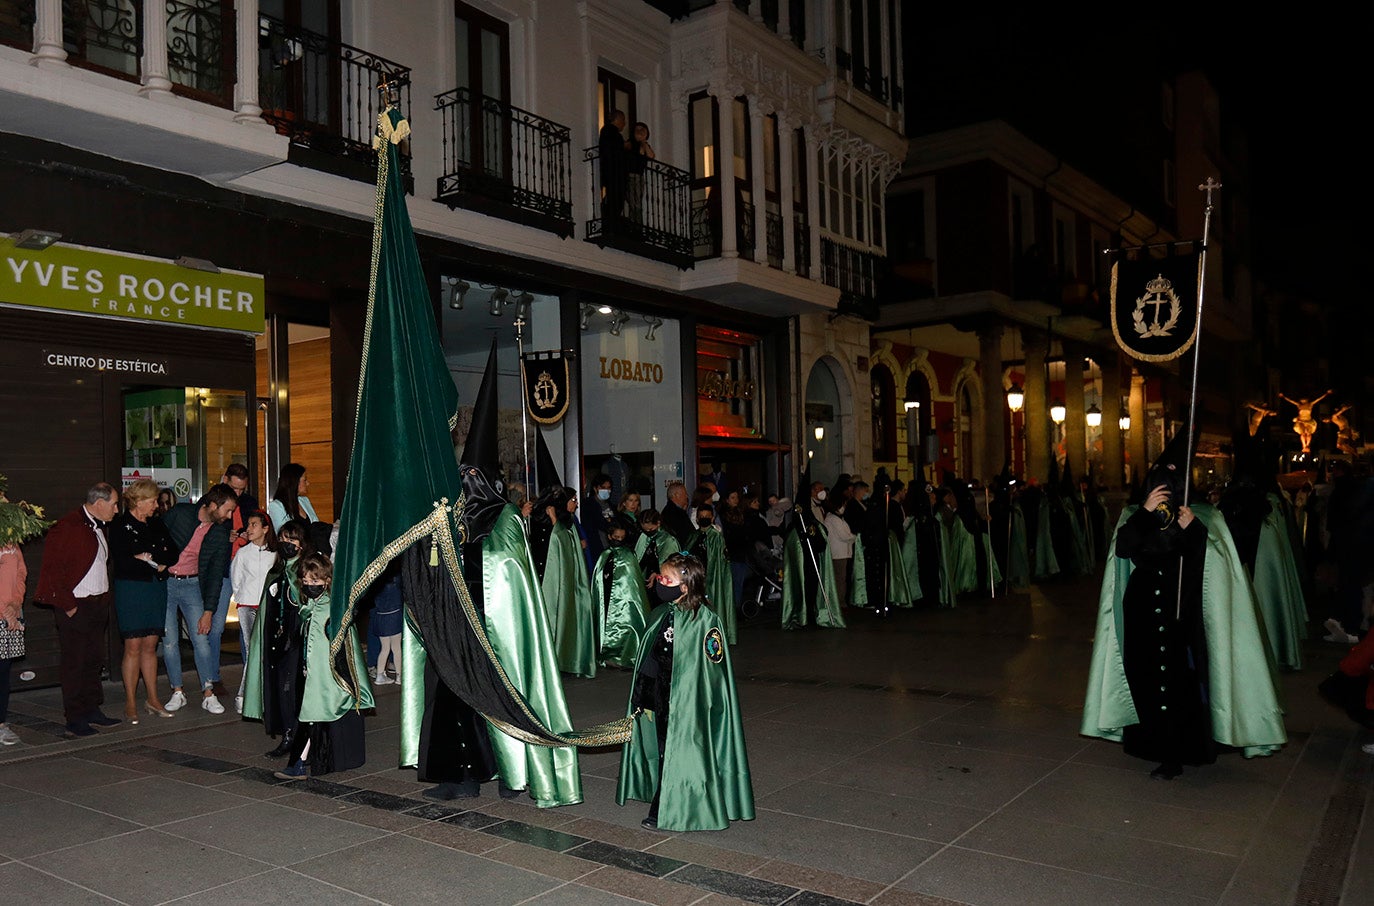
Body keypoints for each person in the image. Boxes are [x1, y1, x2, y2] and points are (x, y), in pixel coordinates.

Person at [1081, 432, 1287, 779]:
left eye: (1176, 471)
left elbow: (1216, 565)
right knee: (1147, 680)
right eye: (1163, 470)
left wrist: (1194, 530)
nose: (1168, 477)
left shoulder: (1203, 514)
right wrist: (1146, 514)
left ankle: (1180, 750)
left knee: (1181, 685)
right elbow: (1124, 549)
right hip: (1144, 610)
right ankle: (1153, 744)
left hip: (1185, 612)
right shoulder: (1135, 512)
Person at [617, 553, 754, 831]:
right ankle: (664, 794)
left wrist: (703, 699)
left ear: (684, 587)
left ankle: (669, 805)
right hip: (659, 695)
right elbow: (650, 658)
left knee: (682, 751)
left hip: (690, 701)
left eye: (666, 578)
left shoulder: (706, 620)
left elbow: (714, 670)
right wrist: (641, 695)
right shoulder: (661, 614)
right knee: (662, 747)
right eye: (660, 575)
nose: (659, 581)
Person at [274, 551, 372, 780]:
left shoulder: (332, 608)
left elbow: (344, 644)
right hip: (312, 674)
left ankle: (297, 763)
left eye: (315, 582)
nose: (309, 586)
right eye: (306, 582)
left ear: (327, 580)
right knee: (310, 717)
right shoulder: (311, 606)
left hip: (326, 677)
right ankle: (301, 761)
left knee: (310, 716)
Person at [34, 482, 121, 737]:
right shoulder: (67, 526)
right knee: (75, 662)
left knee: (94, 660)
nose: (117, 509)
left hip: (97, 604)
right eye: (114, 504)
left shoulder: (99, 527)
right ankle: (75, 718)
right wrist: (69, 606)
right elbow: (53, 570)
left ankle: (92, 709)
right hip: (76, 605)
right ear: (99, 503)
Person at [160, 483, 238, 715]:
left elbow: (215, 574)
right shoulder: (180, 514)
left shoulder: (220, 532)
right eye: (228, 510)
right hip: (166, 583)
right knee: (170, 640)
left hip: (193, 585)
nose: (230, 516)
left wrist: (209, 611)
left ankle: (208, 692)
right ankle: (177, 691)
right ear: (213, 505)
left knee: (201, 639)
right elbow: (157, 538)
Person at [108, 478, 178, 724]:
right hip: (131, 590)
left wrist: (149, 558)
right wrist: (143, 559)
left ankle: (153, 698)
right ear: (138, 502)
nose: (155, 506)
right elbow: (122, 559)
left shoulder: (157, 524)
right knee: (133, 646)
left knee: (150, 646)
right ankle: (130, 700)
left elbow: (173, 551)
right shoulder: (119, 525)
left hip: (155, 589)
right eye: (151, 502)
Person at [242, 519, 311, 757]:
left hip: (298, 639)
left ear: (302, 542)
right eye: (282, 538)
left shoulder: (306, 570)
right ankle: (288, 734)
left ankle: (298, 738)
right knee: (280, 689)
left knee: (293, 689)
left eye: (292, 539)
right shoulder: (276, 571)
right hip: (275, 639)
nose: (286, 543)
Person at [1, 474, 49, 746]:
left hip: (10, 615)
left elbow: (21, 572)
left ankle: (1, 724)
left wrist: (16, 603)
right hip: (2, 615)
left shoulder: (10, 539)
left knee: (3, 673)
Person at [229, 510, 276, 713]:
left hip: (267, 606)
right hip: (247, 607)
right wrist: (244, 598)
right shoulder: (243, 553)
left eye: (254, 525)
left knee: (266, 651)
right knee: (251, 651)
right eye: (248, 525)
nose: (249, 529)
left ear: (265, 529)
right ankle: (243, 695)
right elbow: (236, 579)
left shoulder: (275, 554)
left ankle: (263, 694)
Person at [594, 523, 652, 669]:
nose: (618, 540)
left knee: (627, 625)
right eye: (616, 537)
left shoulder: (628, 555)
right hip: (607, 596)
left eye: (621, 538)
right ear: (609, 537)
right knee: (606, 623)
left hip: (625, 601)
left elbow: (634, 583)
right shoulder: (604, 556)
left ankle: (625, 655)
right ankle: (608, 654)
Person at [687, 503, 736, 644]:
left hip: (710, 579)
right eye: (701, 517)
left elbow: (718, 562)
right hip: (695, 579)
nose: (703, 519)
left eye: (706, 517)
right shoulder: (693, 536)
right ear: (696, 518)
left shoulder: (716, 537)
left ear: (712, 518)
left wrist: (709, 579)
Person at [371, 567, 404, 686]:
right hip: (394, 616)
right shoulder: (397, 578)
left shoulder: (376, 579)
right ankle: (399, 676)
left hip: (380, 616)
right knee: (396, 648)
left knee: (384, 648)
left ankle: (380, 675)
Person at [598, 109, 628, 231]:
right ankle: (611, 220)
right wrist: (624, 146)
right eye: (623, 120)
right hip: (613, 172)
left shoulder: (608, 131)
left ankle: (612, 219)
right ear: (618, 119)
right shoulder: (610, 131)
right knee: (616, 197)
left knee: (616, 197)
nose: (624, 124)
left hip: (612, 171)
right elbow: (612, 149)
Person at [267, 462, 320, 532]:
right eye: (305, 480)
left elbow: (317, 525)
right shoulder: (276, 506)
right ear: (295, 482)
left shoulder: (305, 500)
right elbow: (283, 533)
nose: (307, 483)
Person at [823, 503, 855, 609]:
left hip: (841, 552)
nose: (843, 508)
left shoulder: (838, 518)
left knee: (840, 579)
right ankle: (839, 602)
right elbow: (844, 536)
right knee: (840, 579)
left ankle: (839, 601)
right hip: (838, 553)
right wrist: (855, 537)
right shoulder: (833, 519)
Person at [625, 121, 656, 226]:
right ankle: (634, 224)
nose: (639, 132)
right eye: (637, 130)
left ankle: (636, 225)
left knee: (637, 202)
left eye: (642, 130)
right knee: (633, 202)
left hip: (638, 176)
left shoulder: (644, 145)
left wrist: (643, 141)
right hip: (629, 176)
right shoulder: (629, 143)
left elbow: (651, 156)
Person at [660, 481, 694, 550]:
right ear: (676, 495)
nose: (686, 496)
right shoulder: (675, 514)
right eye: (685, 493)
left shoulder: (670, 510)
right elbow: (688, 535)